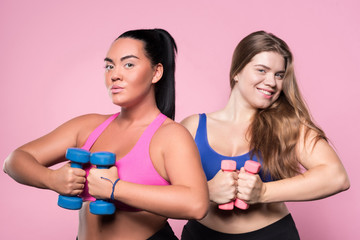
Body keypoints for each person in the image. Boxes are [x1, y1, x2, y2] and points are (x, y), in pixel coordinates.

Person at [3, 28, 209, 240]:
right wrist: (52, 179)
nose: (114, 75)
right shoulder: (87, 126)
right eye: (109, 66)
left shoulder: (171, 136)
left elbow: (196, 204)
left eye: (128, 64)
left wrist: (115, 189)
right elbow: (13, 162)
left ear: (156, 72)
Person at [180, 31, 350, 240]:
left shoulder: (288, 125)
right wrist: (206, 192)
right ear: (237, 71)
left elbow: (336, 177)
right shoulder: (193, 126)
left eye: (279, 75)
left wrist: (263, 193)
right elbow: (166, 192)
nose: (272, 82)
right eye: (262, 70)